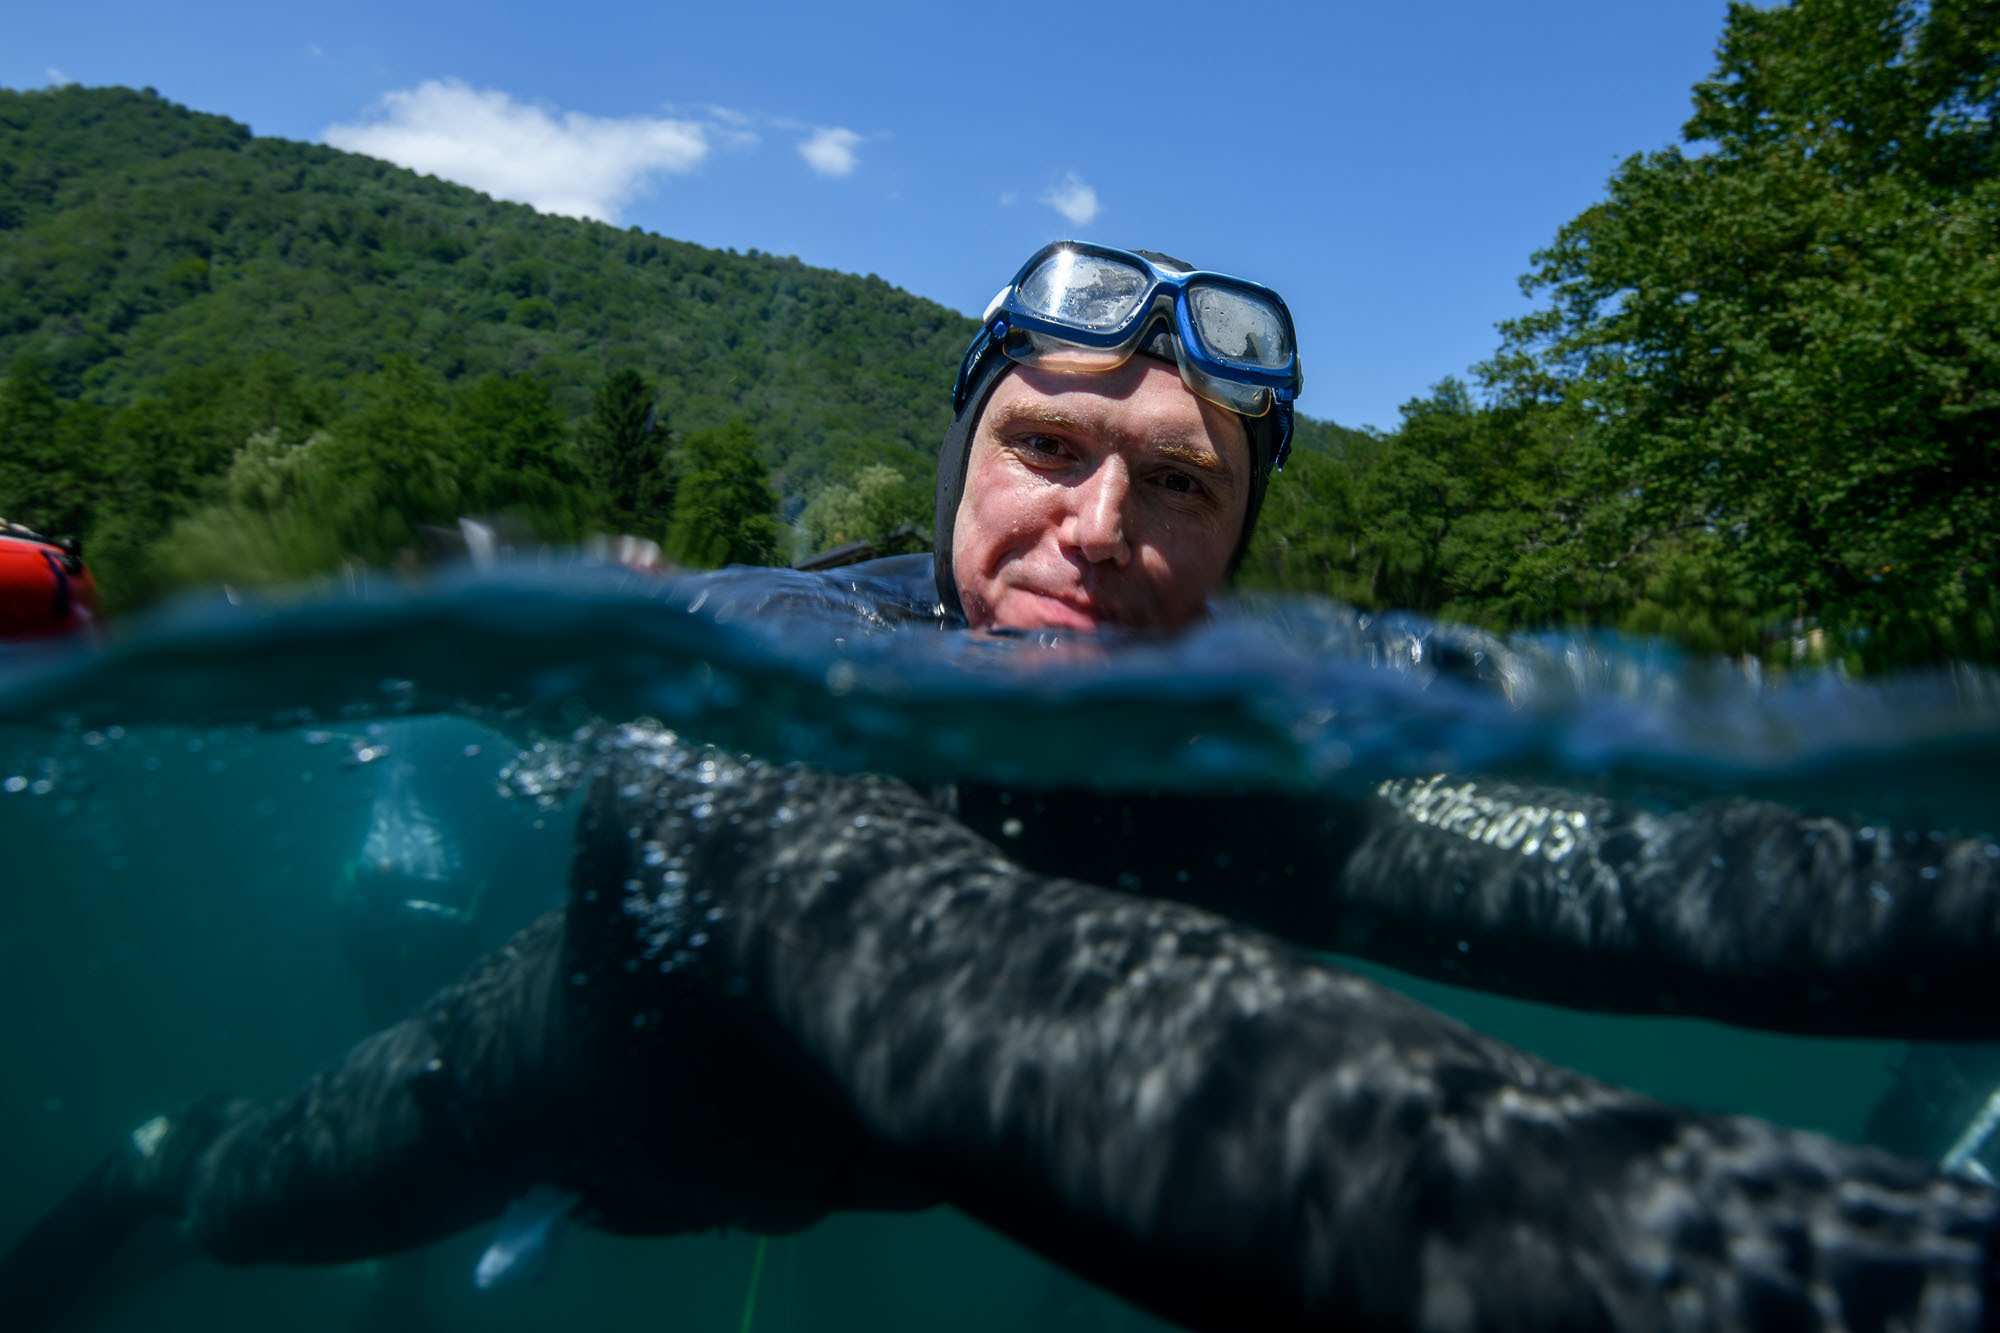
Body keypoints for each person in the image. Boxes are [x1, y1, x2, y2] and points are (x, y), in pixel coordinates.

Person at [8, 241, 2000, 1332]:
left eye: (1184, 485)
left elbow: (1660, 871)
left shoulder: (1269, 747)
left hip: (783, 1165)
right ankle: (145, 1163)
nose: (1100, 522)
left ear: (1236, 550)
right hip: (528, 1094)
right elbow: (993, 997)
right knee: (234, 1187)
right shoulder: (780, 676)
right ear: (960, 465)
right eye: (1047, 443)